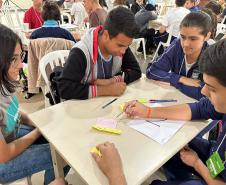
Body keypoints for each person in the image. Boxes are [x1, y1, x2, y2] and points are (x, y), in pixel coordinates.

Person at [124, 39, 226, 185]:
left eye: (212, 88)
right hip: (216, 156)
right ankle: (181, 178)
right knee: (174, 144)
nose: (203, 91)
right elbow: (196, 109)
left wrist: (197, 163)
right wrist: (147, 112)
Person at [0, 24, 56, 185]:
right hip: (2, 161)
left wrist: (35, 121)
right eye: (12, 59)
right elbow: (4, 155)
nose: (20, 64)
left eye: (20, 56)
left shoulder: (5, 79)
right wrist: (38, 131)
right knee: (60, 152)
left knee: (55, 135)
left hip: (9, 135)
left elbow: (14, 111)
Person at [58, 7, 141, 100]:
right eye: (120, 45)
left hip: (105, 104)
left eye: (127, 46)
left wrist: (112, 81)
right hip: (82, 107)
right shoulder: (81, 52)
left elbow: (136, 71)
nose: (123, 51)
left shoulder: (122, 45)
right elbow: (64, 88)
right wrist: (106, 90)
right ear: (106, 35)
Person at [146, 11, 211, 100]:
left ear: (207, 36)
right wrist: (181, 79)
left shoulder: (212, 56)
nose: (185, 44)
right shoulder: (177, 45)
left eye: (193, 39)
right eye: (183, 37)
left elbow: (208, 94)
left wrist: (174, 82)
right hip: (173, 100)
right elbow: (152, 71)